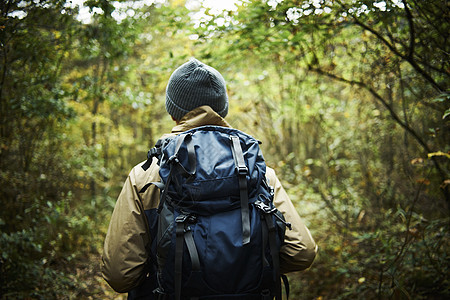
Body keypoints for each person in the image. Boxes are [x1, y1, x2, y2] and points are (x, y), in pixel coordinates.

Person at [101, 58, 318, 297]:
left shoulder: (145, 176)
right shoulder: (258, 171)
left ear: (174, 113)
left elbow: (119, 275)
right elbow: (302, 252)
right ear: (222, 109)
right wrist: (255, 268)